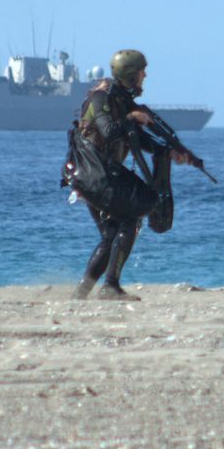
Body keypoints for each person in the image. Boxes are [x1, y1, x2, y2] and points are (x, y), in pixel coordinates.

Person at [64, 48, 190, 300]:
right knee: (129, 219)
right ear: (131, 74)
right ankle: (109, 286)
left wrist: (167, 151)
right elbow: (110, 131)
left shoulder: (120, 99)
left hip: (98, 175)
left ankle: (82, 293)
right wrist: (132, 117)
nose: (145, 76)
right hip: (92, 176)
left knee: (111, 232)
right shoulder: (102, 98)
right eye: (142, 72)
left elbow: (135, 138)